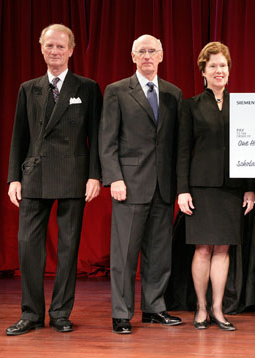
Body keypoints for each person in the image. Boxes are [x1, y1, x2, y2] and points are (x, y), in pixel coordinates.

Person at [5, 24, 102, 336]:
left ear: (71, 50)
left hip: (73, 175)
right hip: (34, 175)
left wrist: (95, 175)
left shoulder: (87, 88)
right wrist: (13, 178)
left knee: (68, 247)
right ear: (41, 48)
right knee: (27, 246)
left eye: (61, 46)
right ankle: (31, 314)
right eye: (49, 45)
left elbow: (96, 136)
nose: (55, 51)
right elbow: (19, 136)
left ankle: (60, 312)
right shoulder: (28, 88)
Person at [99, 34, 183, 334]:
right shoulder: (117, 91)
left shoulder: (174, 94)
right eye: (141, 51)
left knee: (159, 252)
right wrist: (114, 178)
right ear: (133, 56)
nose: (147, 56)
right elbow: (106, 140)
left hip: (163, 186)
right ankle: (121, 314)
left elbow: (176, 144)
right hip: (129, 185)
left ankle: (154, 308)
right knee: (124, 254)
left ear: (161, 55)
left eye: (152, 51)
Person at [177, 42, 255, 331]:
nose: (219, 70)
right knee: (202, 250)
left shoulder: (242, 105)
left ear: (229, 70)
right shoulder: (191, 105)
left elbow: (250, 149)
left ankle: (218, 309)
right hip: (201, 187)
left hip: (232, 188)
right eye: (213, 66)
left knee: (223, 249)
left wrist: (250, 187)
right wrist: (182, 189)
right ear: (204, 71)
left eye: (223, 65)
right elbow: (183, 151)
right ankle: (200, 308)